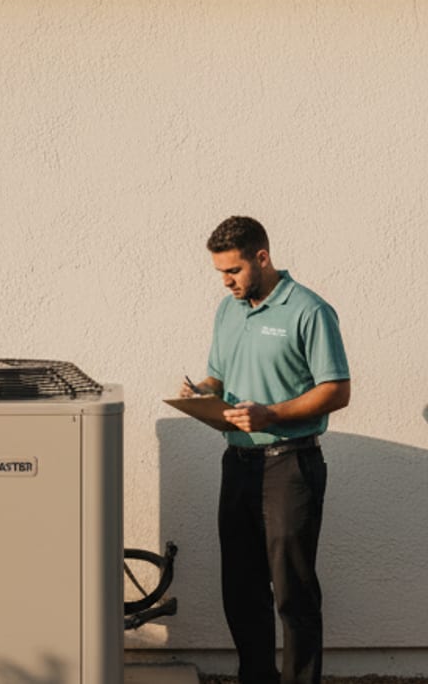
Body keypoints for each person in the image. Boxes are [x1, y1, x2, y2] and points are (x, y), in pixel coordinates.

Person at [180, 215, 349, 684]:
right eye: (219, 273)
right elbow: (219, 374)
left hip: (290, 464)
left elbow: (336, 390)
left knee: (292, 593)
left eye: (233, 270)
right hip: (237, 464)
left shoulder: (309, 311)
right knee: (240, 589)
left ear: (262, 257)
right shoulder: (227, 310)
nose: (226, 281)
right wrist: (202, 392)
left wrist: (270, 414)